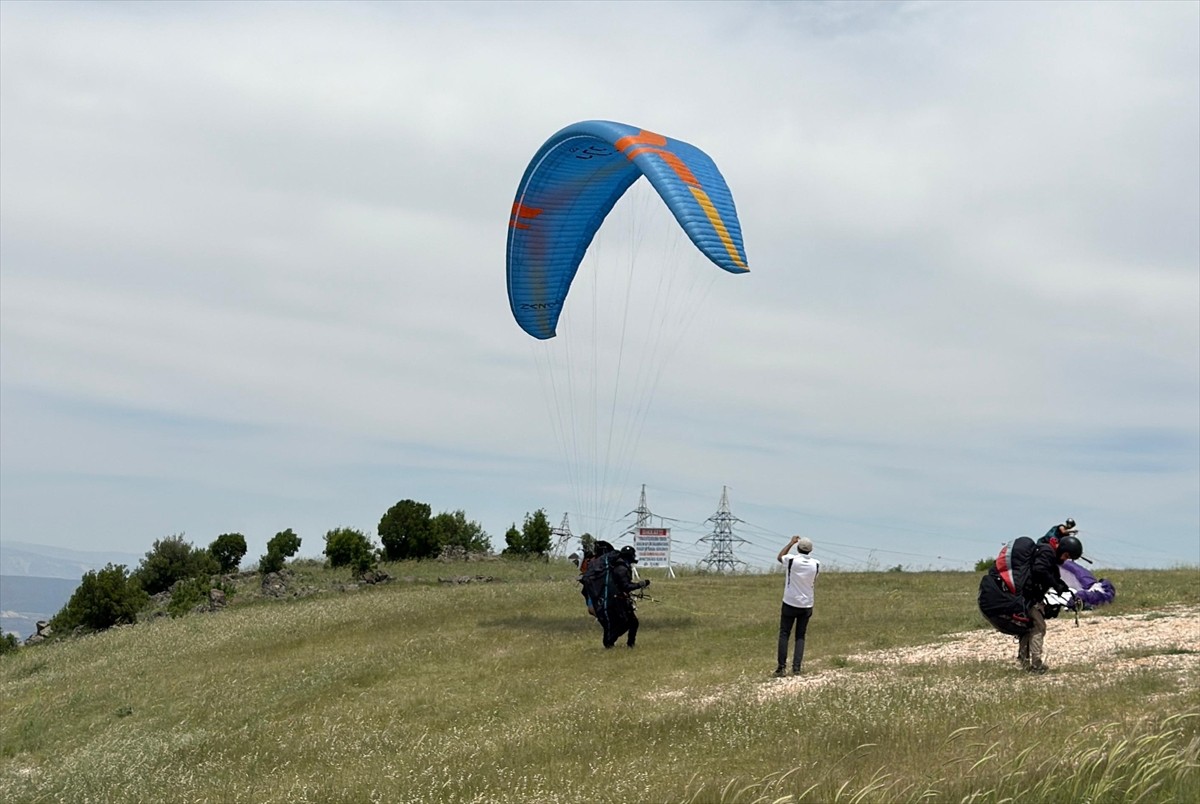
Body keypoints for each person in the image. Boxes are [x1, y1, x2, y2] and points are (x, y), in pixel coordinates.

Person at [988, 533, 1083, 674]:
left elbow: (1049, 575)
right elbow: (1040, 570)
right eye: (1066, 556)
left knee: (1029, 628)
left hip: (1026, 598)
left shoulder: (1046, 553)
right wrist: (1055, 585)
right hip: (1027, 598)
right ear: (1062, 550)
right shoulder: (1047, 552)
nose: (1065, 560)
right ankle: (1036, 665)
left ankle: (1024, 663)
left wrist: (1061, 586)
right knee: (1039, 627)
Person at [775, 535, 820, 677]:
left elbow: (780, 556)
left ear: (798, 548)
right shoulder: (816, 564)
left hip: (790, 601)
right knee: (800, 635)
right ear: (810, 550)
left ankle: (781, 667)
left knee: (784, 634)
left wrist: (791, 543)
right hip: (807, 603)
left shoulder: (792, 560)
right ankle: (797, 668)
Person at [596, 545, 649, 648]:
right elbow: (625, 586)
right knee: (625, 623)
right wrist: (640, 584)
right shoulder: (621, 569)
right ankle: (609, 641)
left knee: (633, 622)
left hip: (619, 599)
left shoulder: (620, 567)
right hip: (617, 601)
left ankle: (630, 645)